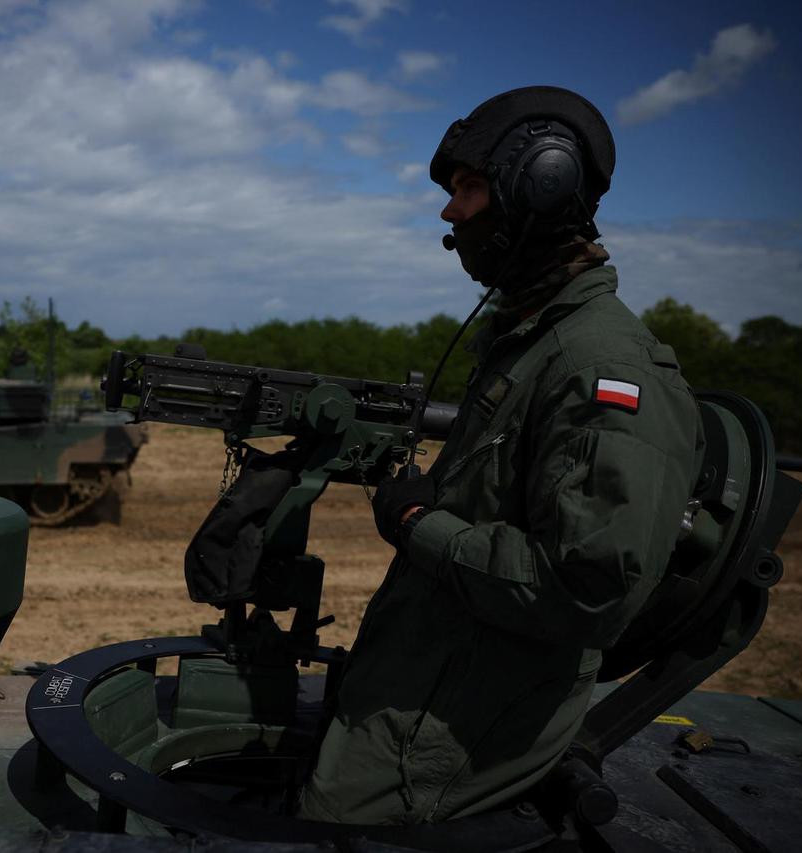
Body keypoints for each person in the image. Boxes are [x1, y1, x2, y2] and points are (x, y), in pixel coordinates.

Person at [298, 86, 704, 824]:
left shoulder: (602, 366)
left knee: (328, 823)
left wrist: (421, 522)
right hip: (429, 686)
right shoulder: (530, 340)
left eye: (469, 188)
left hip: (451, 734)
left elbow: (585, 586)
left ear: (539, 187)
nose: (452, 212)